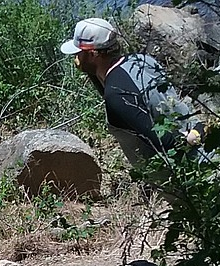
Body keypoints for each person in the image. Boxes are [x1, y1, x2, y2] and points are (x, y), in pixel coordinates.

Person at [60, 17, 204, 167]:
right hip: (203, 145)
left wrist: (194, 136)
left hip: (195, 168)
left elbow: (163, 142)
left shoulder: (116, 94)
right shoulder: (142, 60)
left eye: (78, 53)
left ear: (93, 54)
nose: (75, 58)